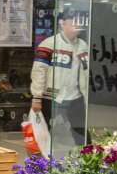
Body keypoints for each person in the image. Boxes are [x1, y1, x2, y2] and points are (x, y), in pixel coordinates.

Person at [30, 11, 89, 145]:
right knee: (42, 134)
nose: (77, 26)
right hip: (50, 97)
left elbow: (85, 74)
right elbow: (39, 72)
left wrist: (85, 96)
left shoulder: (83, 46)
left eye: (79, 23)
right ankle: (39, 164)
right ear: (62, 24)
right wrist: (37, 97)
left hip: (75, 97)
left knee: (82, 134)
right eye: (73, 22)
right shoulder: (48, 44)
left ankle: (88, 161)